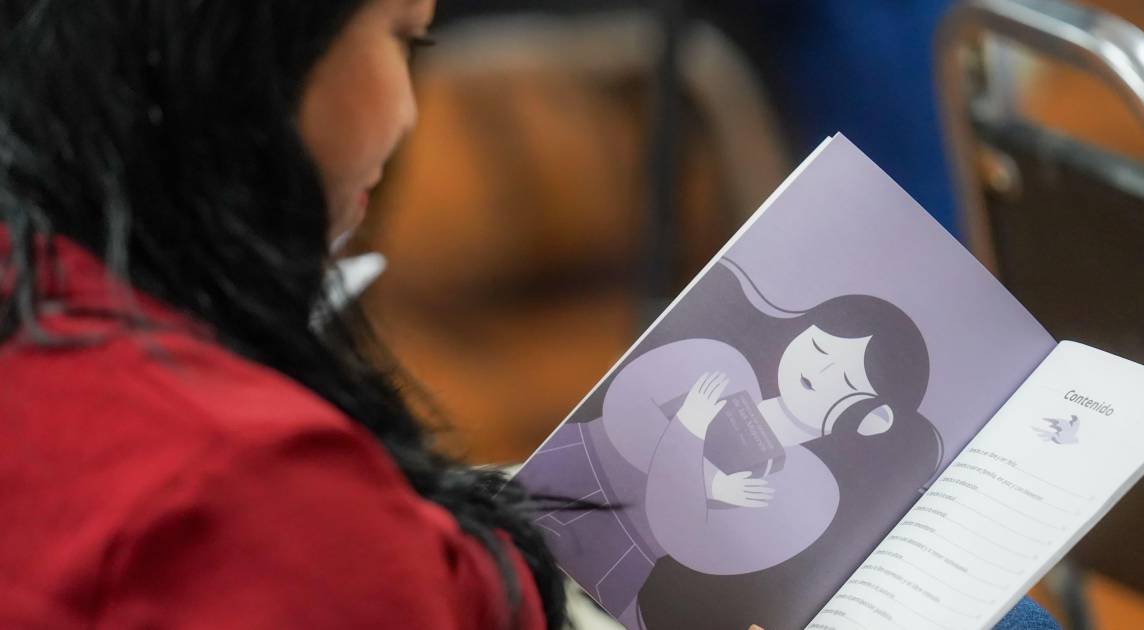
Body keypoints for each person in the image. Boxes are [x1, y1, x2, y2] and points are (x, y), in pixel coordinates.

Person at [0, 1, 1058, 628]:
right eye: (404, 39)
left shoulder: (50, 279)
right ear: (247, 56)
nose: (406, 114)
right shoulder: (258, 493)